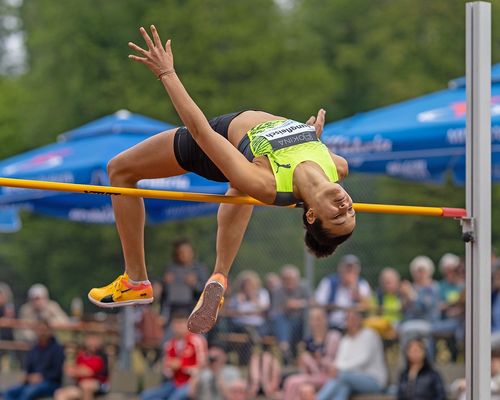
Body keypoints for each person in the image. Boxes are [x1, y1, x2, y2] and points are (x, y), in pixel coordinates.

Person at [88, 25, 356, 335]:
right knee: (240, 187)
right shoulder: (337, 165)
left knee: (119, 169)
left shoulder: (269, 184)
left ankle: (135, 279)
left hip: (217, 136)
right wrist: (309, 136)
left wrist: (167, 74)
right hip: (250, 154)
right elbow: (296, 151)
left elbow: (201, 132)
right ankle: (219, 275)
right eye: (350, 212)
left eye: (337, 216)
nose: (345, 207)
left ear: (311, 213)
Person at [316, 309, 387, 400]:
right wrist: (336, 367)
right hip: (350, 379)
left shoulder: (370, 335)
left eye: (353, 319)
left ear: (360, 320)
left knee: (341, 376)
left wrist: (338, 369)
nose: (351, 322)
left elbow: (363, 359)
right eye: (348, 319)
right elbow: (339, 360)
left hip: (374, 380)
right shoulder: (345, 340)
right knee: (343, 386)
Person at [139, 311, 207, 400]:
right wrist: (168, 367)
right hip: (175, 382)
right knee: (146, 395)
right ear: (172, 326)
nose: (179, 327)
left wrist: (182, 366)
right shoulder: (170, 344)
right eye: (176, 324)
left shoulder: (196, 341)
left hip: (192, 382)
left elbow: (203, 365)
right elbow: (167, 372)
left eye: (181, 323)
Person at [282, 308, 341, 400]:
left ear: (325, 320)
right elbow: (304, 370)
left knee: (293, 382)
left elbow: (334, 365)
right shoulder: (308, 341)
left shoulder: (333, 337)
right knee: (295, 385)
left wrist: (320, 360)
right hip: (313, 376)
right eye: (313, 319)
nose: (316, 323)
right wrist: (305, 362)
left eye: (319, 319)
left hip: (329, 377)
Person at [4, 320, 65, 400]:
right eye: (39, 330)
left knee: (28, 392)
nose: (42, 333)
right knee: (8, 392)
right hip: (32, 383)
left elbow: (57, 372)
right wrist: (28, 377)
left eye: (44, 330)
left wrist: (42, 377)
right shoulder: (34, 349)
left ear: (50, 332)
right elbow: (28, 368)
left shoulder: (57, 349)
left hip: (51, 383)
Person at [315, 254, 371, 330]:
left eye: (351, 270)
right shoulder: (329, 281)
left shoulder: (362, 283)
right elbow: (318, 302)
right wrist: (334, 307)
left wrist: (354, 287)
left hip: (355, 326)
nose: (348, 272)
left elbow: (367, 305)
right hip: (332, 323)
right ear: (340, 269)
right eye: (347, 269)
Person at [268, 264, 310, 360]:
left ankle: (291, 348)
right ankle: (285, 347)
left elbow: (312, 302)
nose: (289, 282)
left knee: (310, 315)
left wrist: (299, 304)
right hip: (285, 323)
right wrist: (284, 308)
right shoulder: (278, 291)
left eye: (291, 279)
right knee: (279, 318)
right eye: (286, 280)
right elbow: (273, 312)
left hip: (301, 322)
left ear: (297, 279)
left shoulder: (304, 287)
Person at [161, 239, 208, 317]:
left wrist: (195, 284)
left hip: (192, 308)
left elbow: (206, 291)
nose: (184, 254)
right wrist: (164, 283)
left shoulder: (199, 269)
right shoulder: (170, 269)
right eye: (181, 252)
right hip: (172, 308)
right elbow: (163, 293)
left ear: (192, 252)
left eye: (187, 251)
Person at [54, 334, 109, 400]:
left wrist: (79, 371)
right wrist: (78, 370)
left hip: (100, 385)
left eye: (94, 340)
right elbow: (70, 371)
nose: (92, 342)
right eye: (90, 339)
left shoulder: (101, 356)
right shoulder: (81, 356)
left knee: (86, 385)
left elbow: (89, 372)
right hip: (80, 385)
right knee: (60, 393)